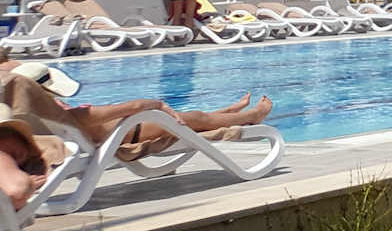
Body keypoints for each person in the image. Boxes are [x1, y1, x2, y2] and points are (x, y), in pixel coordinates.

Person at [0, 60, 275, 213]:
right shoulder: (73, 115)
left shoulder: (34, 119)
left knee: (194, 118)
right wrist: (156, 104)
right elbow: (133, 107)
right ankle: (250, 116)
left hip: (121, 129)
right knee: (197, 119)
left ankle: (229, 111)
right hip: (132, 131)